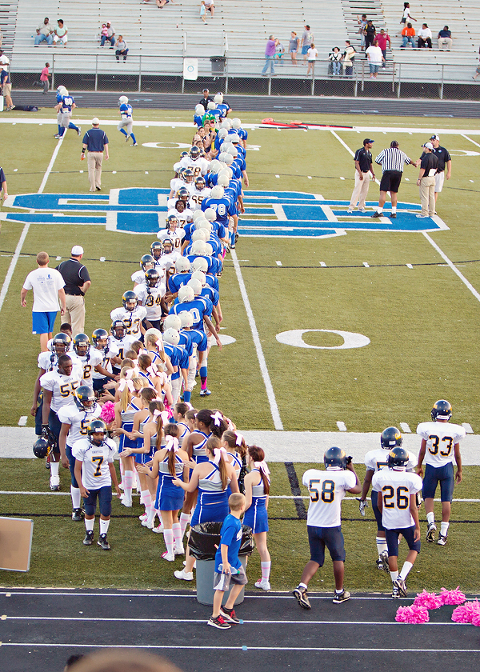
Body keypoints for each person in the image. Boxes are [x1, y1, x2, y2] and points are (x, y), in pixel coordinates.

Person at [293, 447, 361, 609]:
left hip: (312, 524)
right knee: (338, 558)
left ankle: (302, 586)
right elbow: (358, 488)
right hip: (331, 526)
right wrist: (352, 468)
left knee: (316, 558)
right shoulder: (345, 476)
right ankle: (339, 592)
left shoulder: (311, 474)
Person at [357, 427, 417, 572]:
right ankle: (388, 551)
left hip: (379, 493)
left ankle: (381, 558)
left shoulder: (373, 455)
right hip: (400, 495)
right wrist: (418, 499)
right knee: (400, 525)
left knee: (381, 526)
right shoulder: (406, 455)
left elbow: (367, 479)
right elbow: (412, 478)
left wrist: (363, 497)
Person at [373, 447, 422, 598]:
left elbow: (379, 503)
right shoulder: (412, 478)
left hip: (389, 521)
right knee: (415, 547)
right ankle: (401, 578)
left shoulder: (381, 476)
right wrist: (418, 526)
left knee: (393, 552)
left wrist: (386, 515)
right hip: (406, 521)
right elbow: (413, 507)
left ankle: (395, 588)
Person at [416, 400, 466, 546]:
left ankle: (431, 522)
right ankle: (443, 534)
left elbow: (422, 451)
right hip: (447, 468)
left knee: (428, 496)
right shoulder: (455, 430)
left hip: (431, 467)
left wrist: (419, 466)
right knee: (446, 500)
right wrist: (460, 470)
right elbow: (457, 454)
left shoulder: (427, 428)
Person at [73, 419, 120, 550]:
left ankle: (103, 536)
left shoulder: (109, 446)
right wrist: (81, 486)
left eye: (101, 434)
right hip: (89, 483)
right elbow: (77, 469)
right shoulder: (83, 447)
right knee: (89, 511)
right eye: (96, 434)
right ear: (90, 434)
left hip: (104, 482)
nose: (99, 437)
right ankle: (89, 532)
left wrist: (116, 485)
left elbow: (111, 466)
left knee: (106, 510)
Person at [58, 385, 102, 521]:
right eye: (86, 401)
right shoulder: (70, 412)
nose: (89, 403)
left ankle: (87, 503)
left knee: (90, 477)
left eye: (90, 401)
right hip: (74, 448)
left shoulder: (96, 409)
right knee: (76, 479)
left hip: (91, 448)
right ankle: (76, 508)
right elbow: (63, 434)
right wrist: (63, 455)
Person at [208, 492, 247, 629]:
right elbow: (224, 544)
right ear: (242, 507)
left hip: (233, 560)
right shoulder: (232, 524)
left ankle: (227, 609)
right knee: (221, 588)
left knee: (241, 581)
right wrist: (225, 562)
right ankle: (214, 617)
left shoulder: (233, 520)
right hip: (225, 563)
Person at [21, 251, 66, 352]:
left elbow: (24, 290)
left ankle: (44, 353)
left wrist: (23, 300)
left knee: (43, 331)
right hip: (53, 307)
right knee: (49, 330)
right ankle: (51, 351)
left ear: (37, 261)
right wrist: (63, 305)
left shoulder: (32, 274)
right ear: (48, 261)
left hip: (39, 308)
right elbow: (61, 291)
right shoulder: (55, 273)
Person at [243, 445, 271, 590]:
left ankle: (240, 577)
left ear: (252, 457)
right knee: (262, 548)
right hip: (261, 513)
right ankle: (265, 581)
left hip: (251, 513)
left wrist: (237, 513)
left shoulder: (249, 477)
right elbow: (266, 499)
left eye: (247, 455)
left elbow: (248, 502)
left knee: (243, 547)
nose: (246, 458)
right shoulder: (265, 474)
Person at [371, 140, 418, 219]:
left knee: (383, 192)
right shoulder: (401, 153)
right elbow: (408, 160)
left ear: (390, 146)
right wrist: (414, 164)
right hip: (398, 173)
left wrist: (384, 164)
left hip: (388, 172)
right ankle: (393, 212)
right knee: (394, 192)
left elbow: (377, 160)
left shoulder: (385, 151)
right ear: (398, 146)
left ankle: (379, 211)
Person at [56, 246, 91, 336]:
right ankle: (75, 344)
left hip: (63, 298)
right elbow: (88, 282)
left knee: (65, 326)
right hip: (75, 298)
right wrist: (83, 291)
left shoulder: (62, 265)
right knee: (77, 327)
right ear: (81, 255)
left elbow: (54, 275)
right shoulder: (81, 268)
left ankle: (64, 342)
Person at [348, 138, 375, 213]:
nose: (372, 144)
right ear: (366, 144)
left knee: (364, 191)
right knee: (357, 190)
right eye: (370, 143)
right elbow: (357, 163)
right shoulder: (360, 151)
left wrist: (373, 173)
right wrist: (360, 173)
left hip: (367, 173)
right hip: (360, 173)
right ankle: (351, 206)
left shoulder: (369, 153)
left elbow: (370, 164)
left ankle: (361, 206)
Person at [81, 118, 109, 192]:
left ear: (92, 124)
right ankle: (98, 184)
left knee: (91, 170)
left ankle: (92, 187)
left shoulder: (88, 133)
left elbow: (85, 144)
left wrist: (83, 152)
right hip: (100, 153)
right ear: (98, 124)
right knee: (98, 169)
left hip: (91, 152)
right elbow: (105, 144)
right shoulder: (102, 133)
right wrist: (107, 153)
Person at [416, 141, 438, 218]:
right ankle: (432, 212)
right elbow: (436, 168)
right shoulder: (435, 157)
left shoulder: (425, 158)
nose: (423, 148)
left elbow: (422, 170)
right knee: (431, 196)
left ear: (427, 148)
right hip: (432, 177)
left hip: (426, 178)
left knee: (424, 196)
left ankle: (424, 213)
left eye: (424, 147)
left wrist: (419, 179)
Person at [429, 134, 451, 205]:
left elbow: (448, 160)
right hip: (430, 172)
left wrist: (449, 172)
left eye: (433, 140)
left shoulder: (443, 150)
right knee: (429, 190)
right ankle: (429, 204)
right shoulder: (429, 150)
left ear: (437, 141)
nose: (432, 142)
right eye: (431, 140)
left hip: (439, 172)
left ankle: (432, 206)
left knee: (436, 190)